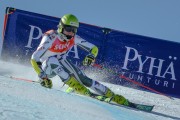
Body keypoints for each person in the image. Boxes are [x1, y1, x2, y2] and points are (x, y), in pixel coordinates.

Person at [31, 14, 130, 106]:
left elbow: (94, 49)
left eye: (74, 30)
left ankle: (113, 96)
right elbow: (34, 58)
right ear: (61, 27)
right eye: (68, 29)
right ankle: (77, 87)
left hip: (61, 61)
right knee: (52, 60)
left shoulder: (74, 38)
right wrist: (43, 76)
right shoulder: (51, 37)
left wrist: (91, 56)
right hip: (46, 68)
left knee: (83, 79)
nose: (71, 32)